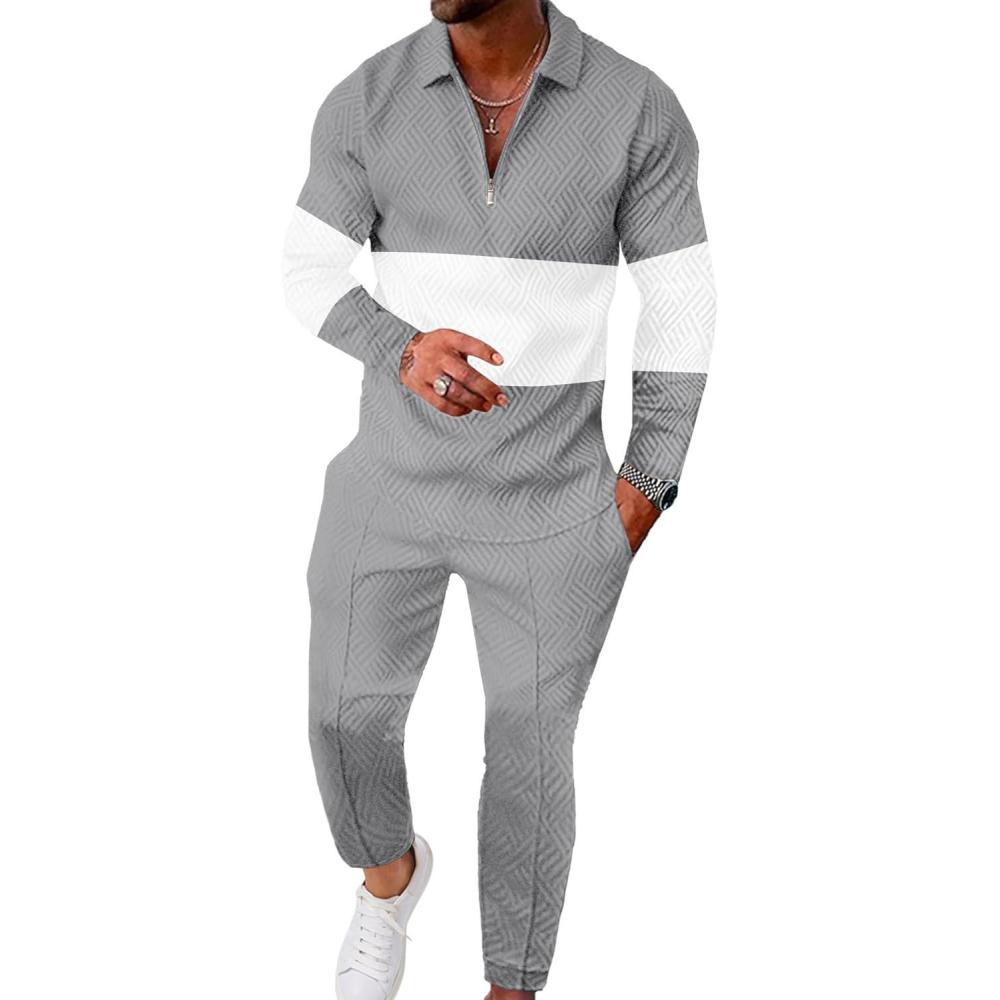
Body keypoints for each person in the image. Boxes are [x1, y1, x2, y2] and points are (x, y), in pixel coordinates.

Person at [281, 0, 715, 996]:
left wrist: (647, 482)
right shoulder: (367, 98)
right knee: (345, 720)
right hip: (390, 479)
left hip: (553, 498)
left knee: (529, 746)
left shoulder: (635, 107)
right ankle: (389, 880)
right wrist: (398, 346)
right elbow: (305, 268)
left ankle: (511, 984)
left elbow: (680, 298)